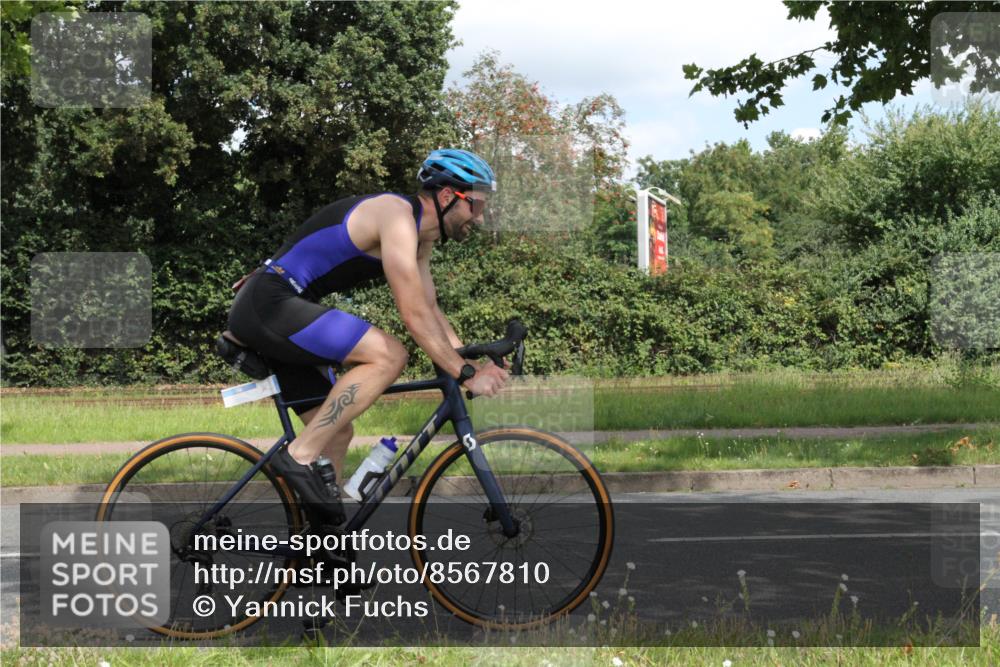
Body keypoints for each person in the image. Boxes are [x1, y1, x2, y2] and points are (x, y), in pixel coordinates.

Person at [226, 149, 509, 525]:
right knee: (389, 355)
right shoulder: (396, 217)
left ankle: (323, 552)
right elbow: (412, 314)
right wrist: (464, 372)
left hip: (281, 307)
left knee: (338, 433)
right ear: (447, 196)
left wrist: (465, 361)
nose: (480, 216)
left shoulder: (421, 241)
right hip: (270, 304)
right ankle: (297, 457)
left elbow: (430, 310)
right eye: (475, 205)